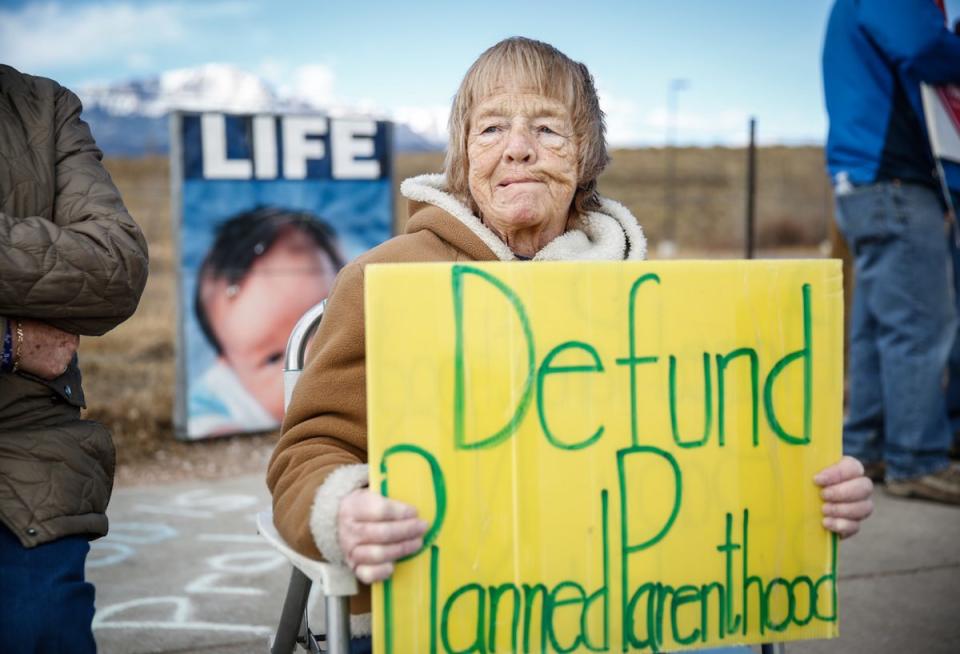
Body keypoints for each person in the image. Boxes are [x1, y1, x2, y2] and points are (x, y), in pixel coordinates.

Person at [268, 37, 874, 651]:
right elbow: (311, 447)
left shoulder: (647, 289)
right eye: (492, 128)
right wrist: (343, 511)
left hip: (628, 596)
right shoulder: (386, 277)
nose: (519, 148)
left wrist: (808, 488)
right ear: (464, 153)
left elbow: (720, 446)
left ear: (584, 155)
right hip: (442, 604)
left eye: (548, 129)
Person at [0, 65, 149, 653]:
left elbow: (114, 267)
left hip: (25, 454)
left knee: (40, 630)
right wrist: (10, 341)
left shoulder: (42, 106)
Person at [822, 0, 960, 503]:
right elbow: (923, 46)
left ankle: (871, 446)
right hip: (894, 178)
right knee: (919, 324)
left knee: (879, 324)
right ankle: (917, 458)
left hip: (865, 181)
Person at [189, 206, 344, 438]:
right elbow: (203, 423)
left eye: (323, 327)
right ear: (230, 368)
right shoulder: (220, 397)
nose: (310, 360)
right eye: (273, 357)